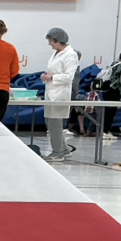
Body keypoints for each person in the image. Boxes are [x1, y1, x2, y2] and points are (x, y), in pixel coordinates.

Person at [40, 27, 79, 163]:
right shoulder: (57, 53)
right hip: (51, 92)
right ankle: (64, 150)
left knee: (55, 124)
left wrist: (52, 78)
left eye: (51, 41)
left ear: (58, 40)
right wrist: (46, 76)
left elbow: (69, 77)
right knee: (52, 122)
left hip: (60, 93)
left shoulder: (70, 55)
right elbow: (53, 70)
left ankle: (58, 152)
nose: (50, 44)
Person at [97, 49, 121, 140]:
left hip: (106, 90)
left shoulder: (114, 63)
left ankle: (104, 130)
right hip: (114, 91)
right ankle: (106, 131)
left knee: (107, 111)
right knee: (111, 112)